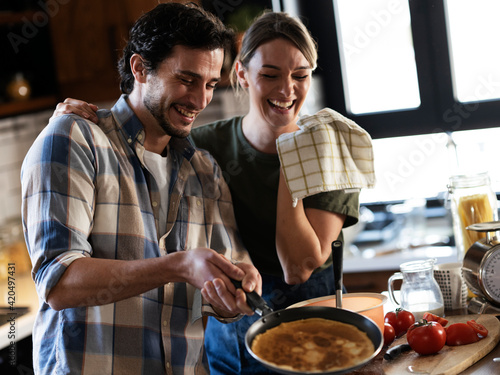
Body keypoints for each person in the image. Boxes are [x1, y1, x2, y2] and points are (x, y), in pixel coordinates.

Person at [51, 11, 363, 374]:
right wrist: (69, 123)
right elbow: (138, 138)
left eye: (300, 75)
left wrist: (290, 154)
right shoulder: (200, 148)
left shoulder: (327, 148)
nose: (286, 89)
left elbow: (297, 267)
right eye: (270, 74)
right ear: (243, 76)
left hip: (305, 316)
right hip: (221, 340)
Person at [21, 3, 262, 375]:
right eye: (186, 79)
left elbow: (222, 281)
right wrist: (179, 265)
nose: (200, 100)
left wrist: (235, 292)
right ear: (140, 68)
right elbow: (59, 283)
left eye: (211, 84)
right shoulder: (75, 139)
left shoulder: (205, 170)